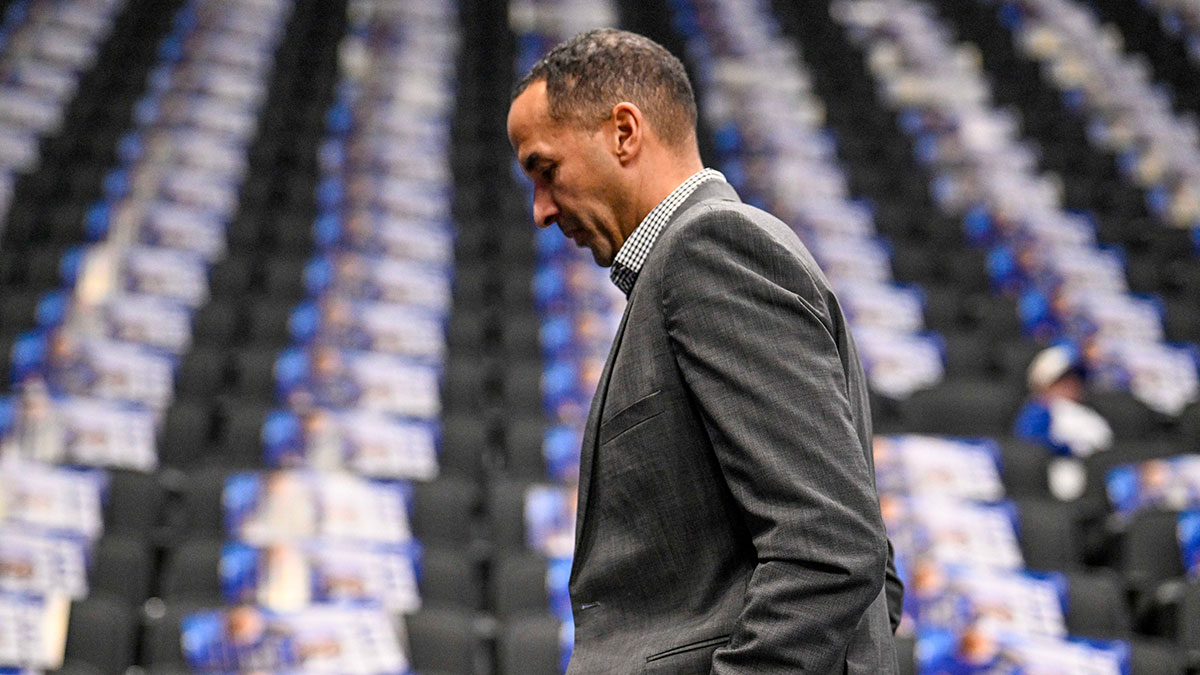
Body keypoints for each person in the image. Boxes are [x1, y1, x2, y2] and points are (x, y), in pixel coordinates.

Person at [507, 28, 901, 673]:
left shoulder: (709, 250)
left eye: (545, 170)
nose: (541, 210)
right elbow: (870, 568)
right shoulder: (698, 260)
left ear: (624, 132)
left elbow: (832, 548)